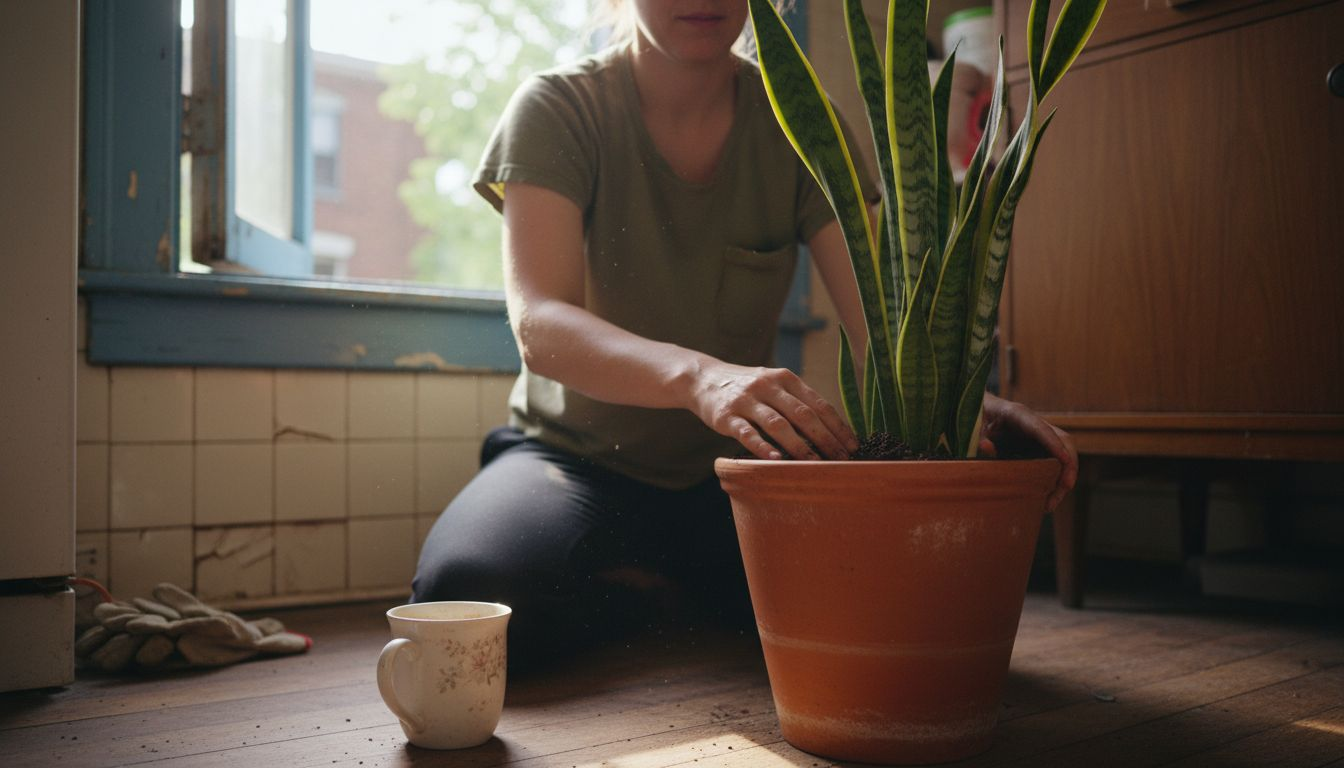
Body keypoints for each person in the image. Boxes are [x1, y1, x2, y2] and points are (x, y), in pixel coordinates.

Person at [412, 0, 1078, 670]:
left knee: (883, 598)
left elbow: (884, 330)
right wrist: (702, 377)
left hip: (742, 472)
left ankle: (672, 590)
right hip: (572, 460)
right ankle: (658, 600)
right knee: (466, 597)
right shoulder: (558, 107)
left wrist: (971, 411)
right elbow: (540, 324)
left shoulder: (797, 119)